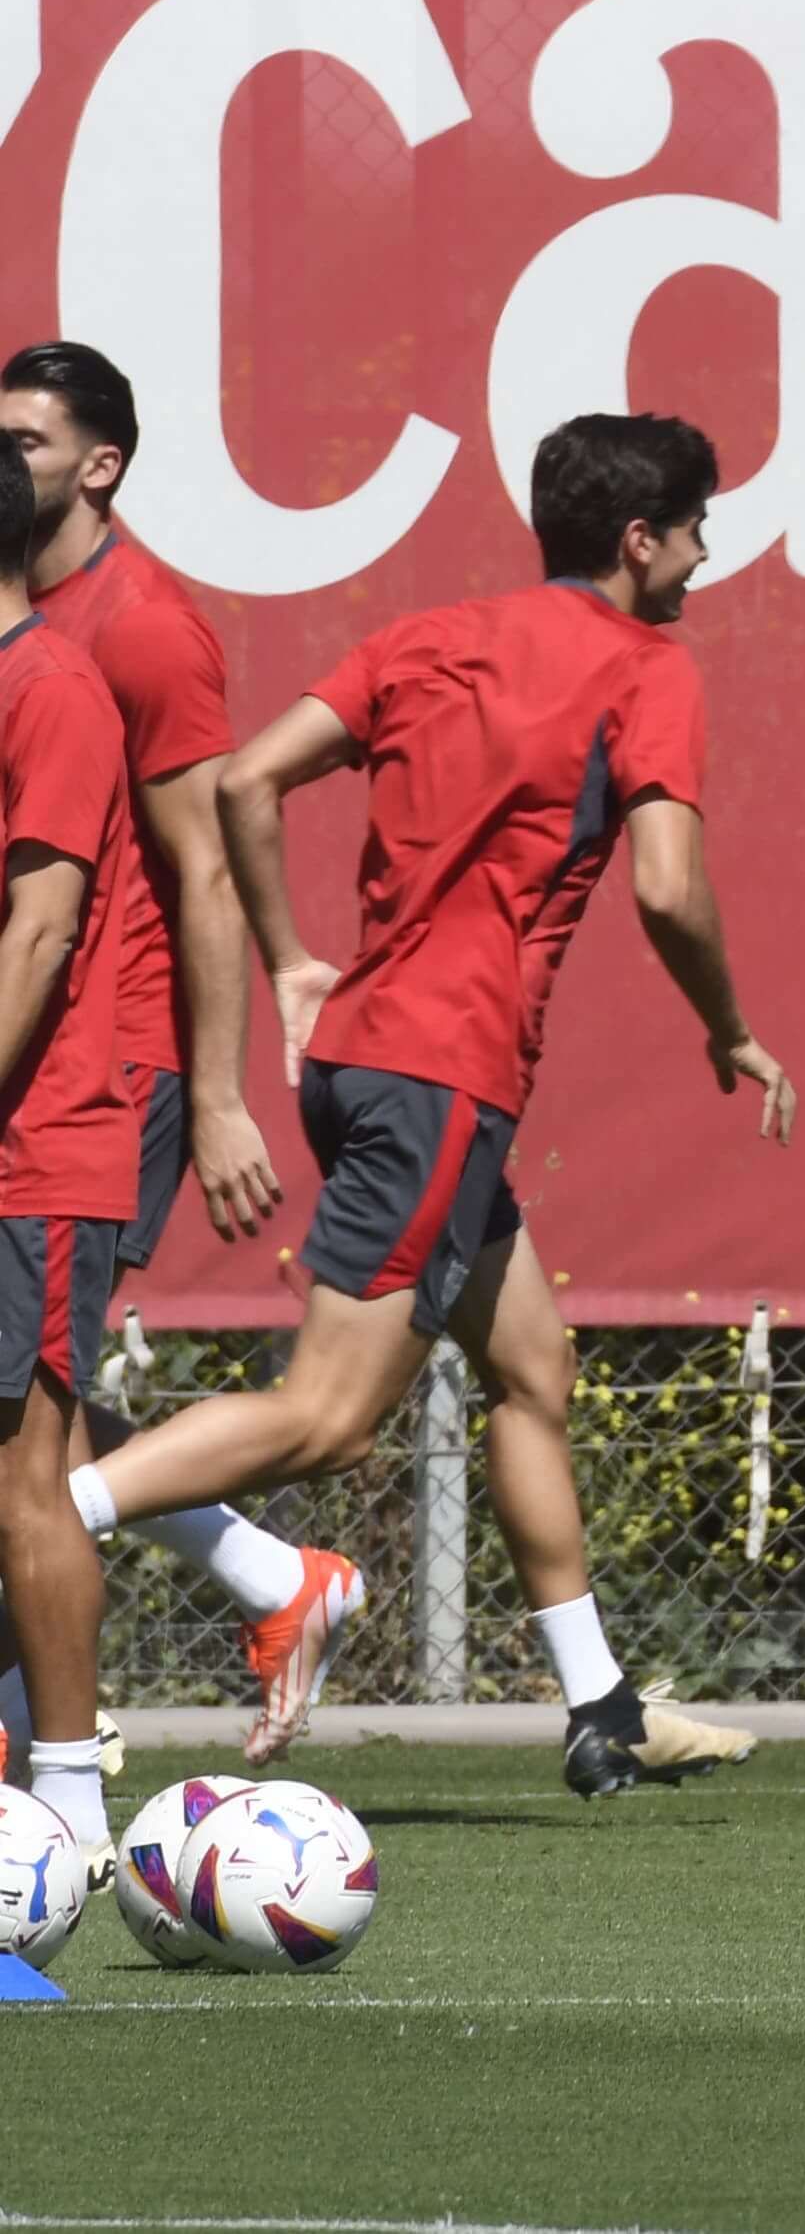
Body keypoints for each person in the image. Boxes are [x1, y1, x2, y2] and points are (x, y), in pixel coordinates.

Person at [82, 414, 789, 1801]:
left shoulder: (429, 636)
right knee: (331, 1414)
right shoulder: (648, 666)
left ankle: (601, 1707)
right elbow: (666, 884)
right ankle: (49, 1513)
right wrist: (732, 1027)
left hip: (361, 1063)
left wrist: (294, 955)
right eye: (696, 526)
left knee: (535, 1364)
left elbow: (246, 777)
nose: (707, 554)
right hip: (443, 1075)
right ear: (639, 541)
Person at [0, 341, 362, 1763]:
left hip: (108, 1059)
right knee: (42, 1397)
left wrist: (212, 1094)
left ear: (99, 466)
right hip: (59, 1047)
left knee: (35, 1415)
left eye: (26, 440)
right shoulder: (42, 619)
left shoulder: (136, 631)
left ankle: (51, 1776)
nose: (4, 461)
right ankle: (272, 1578)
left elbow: (199, 869)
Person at [0, 436, 141, 1855]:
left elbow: (38, 935)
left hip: (34, 1156)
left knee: (22, 1480)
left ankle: (67, 1812)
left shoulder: (52, 688)